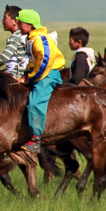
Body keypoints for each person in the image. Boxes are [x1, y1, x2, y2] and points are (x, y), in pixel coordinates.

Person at [17, 9, 66, 153]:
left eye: (21, 23)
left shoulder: (41, 40)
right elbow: (33, 62)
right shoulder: (32, 39)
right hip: (40, 73)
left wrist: (31, 78)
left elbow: (45, 62)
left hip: (47, 75)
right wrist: (26, 75)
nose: (19, 26)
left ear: (30, 25)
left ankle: (35, 139)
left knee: (36, 102)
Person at [0, 5, 28, 80]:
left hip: (14, 75)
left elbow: (4, 58)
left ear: (15, 21)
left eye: (5, 18)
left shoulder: (16, 36)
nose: (2, 21)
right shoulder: (22, 35)